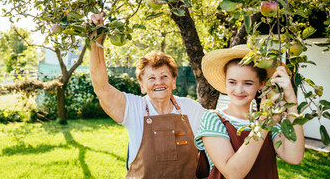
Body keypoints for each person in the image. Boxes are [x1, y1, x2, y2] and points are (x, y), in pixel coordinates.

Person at [88, 13, 206, 179]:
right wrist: (96, 41)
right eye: (151, 78)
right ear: (142, 86)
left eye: (164, 76)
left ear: (173, 82)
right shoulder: (133, 108)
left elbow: (217, 135)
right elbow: (102, 89)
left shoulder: (191, 109)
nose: (159, 82)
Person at [195, 44, 304, 179]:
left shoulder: (268, 119)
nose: (239, 90)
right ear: (225, 81)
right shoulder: (213, 119)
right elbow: (233, 173)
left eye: (248, 83)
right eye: (232, 82)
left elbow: (294, 157)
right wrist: (262, 125)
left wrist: (291, 98)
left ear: (261, 84)